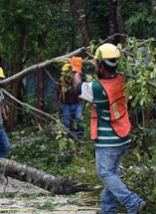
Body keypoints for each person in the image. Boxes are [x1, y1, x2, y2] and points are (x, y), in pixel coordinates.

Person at [70, 43, 146, 214]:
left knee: (105, 173)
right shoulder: (122, 80)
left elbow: (77, 88)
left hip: (109, 140)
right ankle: (108, 209)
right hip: (123, 137)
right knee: (111, 173)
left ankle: (132, 202)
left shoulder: (98, 88)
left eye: (97, 64)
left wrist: (76, 69)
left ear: (101, 66)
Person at [55, 63, 84, 138]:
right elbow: (57, 94)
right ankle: (68, 138)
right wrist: (57, 105)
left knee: (79, 119)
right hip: (66, 105)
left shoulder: (76, 78)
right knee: (67, 122)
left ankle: (80, 137)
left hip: (77, 103)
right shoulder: (61, 81)